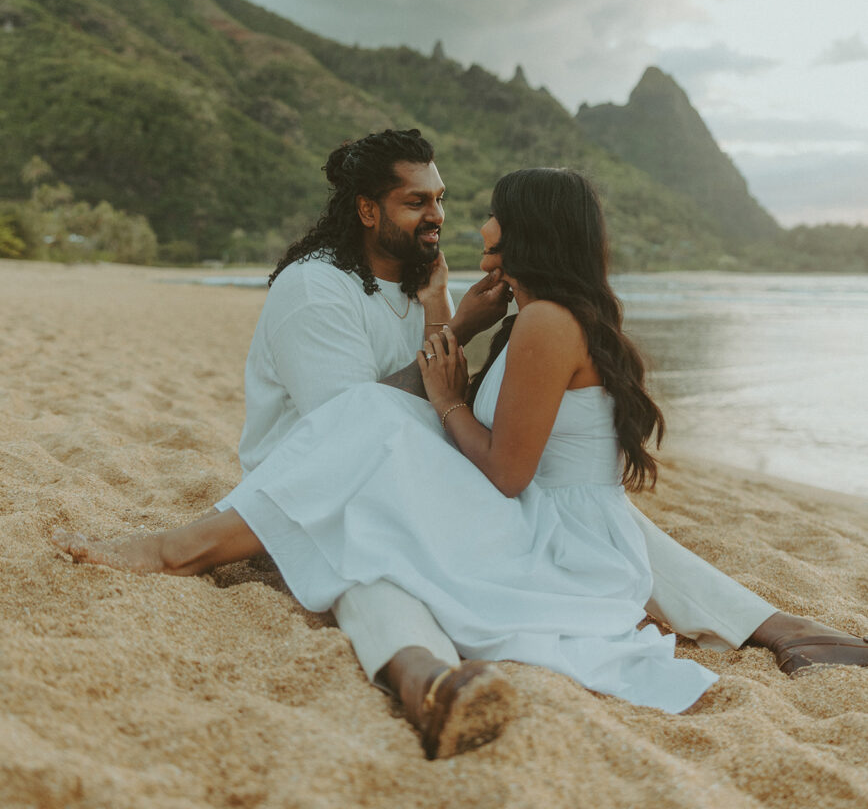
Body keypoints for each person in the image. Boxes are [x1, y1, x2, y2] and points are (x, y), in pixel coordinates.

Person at [53, 131, 868, 757]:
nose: (438, 217)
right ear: (368, 210)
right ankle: (424, 676)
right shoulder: (315, 291)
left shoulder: (432, 290)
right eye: (417, 204)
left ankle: (774, 624)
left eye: (442, 201)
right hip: (302, 483)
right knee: (373, 551)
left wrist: (454, 331)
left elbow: (436, 426)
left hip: (404, 464)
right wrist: (454, 353)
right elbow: (346, 431)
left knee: (530, 517)